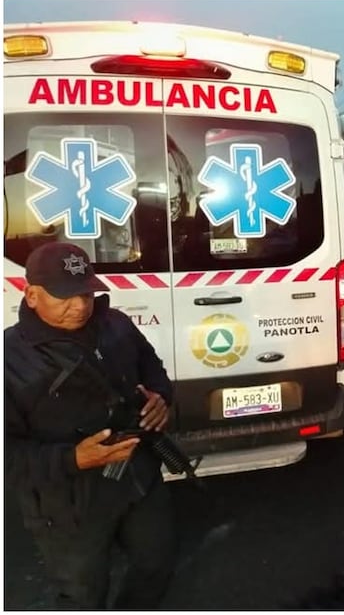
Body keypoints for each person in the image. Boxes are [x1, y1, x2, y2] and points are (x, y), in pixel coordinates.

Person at [4, 242, 177, 609]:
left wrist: (162, 399)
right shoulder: (10, 359)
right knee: (83, 595)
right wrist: (73, 459)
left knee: (156, 565)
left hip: (139, 479)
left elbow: (153, 369)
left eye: (86, 291)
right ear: (31, 295)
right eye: (65, 296)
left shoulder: (116, 324)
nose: (81, 305)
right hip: (66, 504)